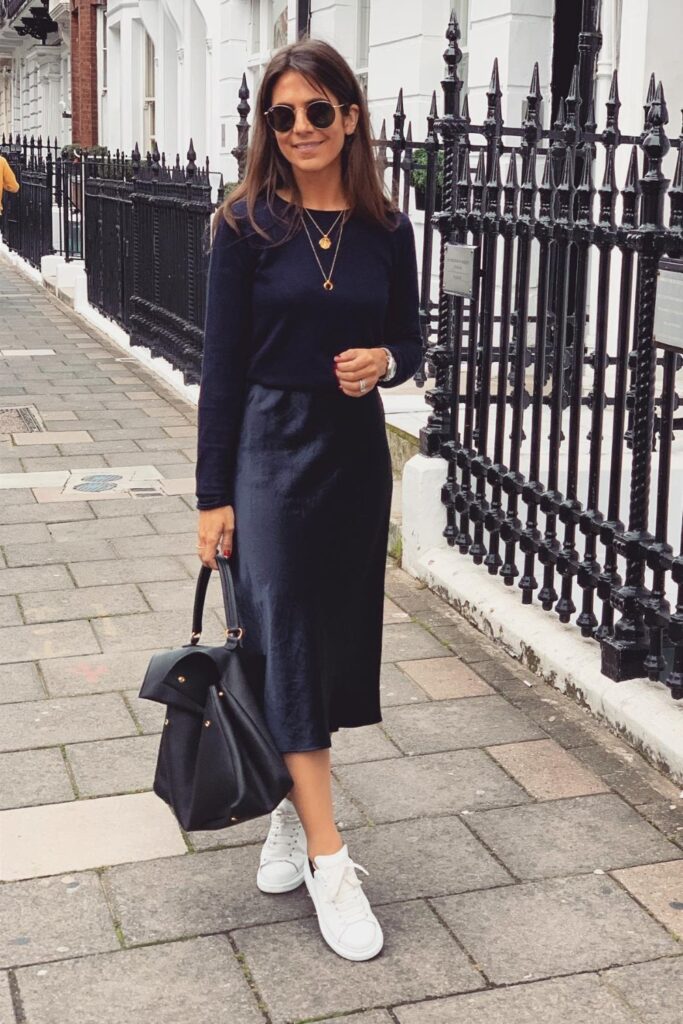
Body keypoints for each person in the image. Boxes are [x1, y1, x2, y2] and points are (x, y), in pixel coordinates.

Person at [195, 37, 422, 962]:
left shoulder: (385, 229)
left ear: (349, 116)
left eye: (315, 112)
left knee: (324, 643)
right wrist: (213, 495)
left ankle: (290, 814)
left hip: (351, 457)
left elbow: (410, 337)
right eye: (280, 116)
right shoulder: (244, 225)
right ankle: (330, 857)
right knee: (282, 630)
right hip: (265, 450)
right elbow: (218, 368)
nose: (298, 129)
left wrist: (388, 363)